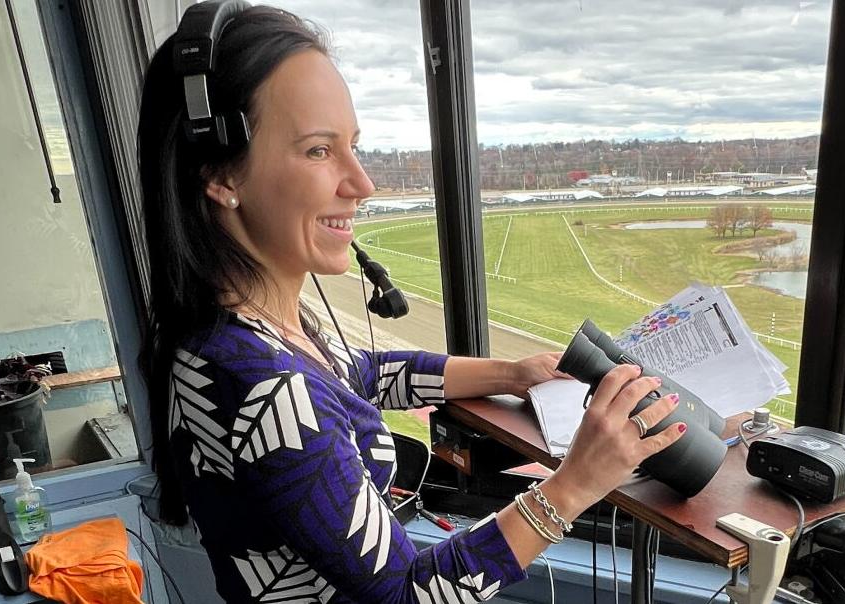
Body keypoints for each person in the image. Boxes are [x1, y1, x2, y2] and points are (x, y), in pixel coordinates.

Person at [137, 4, 685, 602]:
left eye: (353, 145)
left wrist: (511, 372)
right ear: (221, 175)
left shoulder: (236, 330)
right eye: (319, 150)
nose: (362, 182)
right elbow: (405, 593)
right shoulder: (264, 384)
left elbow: (359, 375)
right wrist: (576, 483)